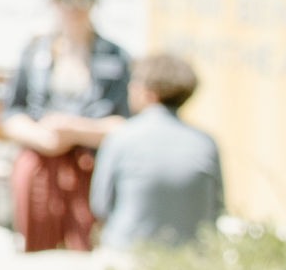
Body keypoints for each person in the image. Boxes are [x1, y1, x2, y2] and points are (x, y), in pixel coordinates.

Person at [0, 0, 132, 253]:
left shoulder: (116, 57)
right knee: (36, 246)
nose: (75, 7)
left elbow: (127, 124)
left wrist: (76, 130)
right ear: (55, 2)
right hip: (40, 163)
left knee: (84, 244)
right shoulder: (35, 51)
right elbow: (11, 113)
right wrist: (42, 137)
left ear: (93, 3)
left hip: (89, 164)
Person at [92, 52, 226, 248]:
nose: (129, 88)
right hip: (190, 261)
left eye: (134, 82)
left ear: (149, 93)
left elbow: (100, 205)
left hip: (129, 256)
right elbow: (217, 206)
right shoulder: (206, 143)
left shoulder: (121, 137)